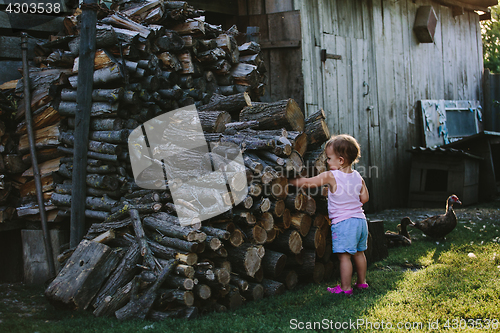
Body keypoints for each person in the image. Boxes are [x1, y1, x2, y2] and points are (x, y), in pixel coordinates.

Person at [289, 134, 369, 295]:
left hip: (344, 223)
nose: (326, 161)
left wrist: (290, 181)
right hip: (360, 221)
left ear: (340, 160)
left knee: (344, 257)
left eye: (329, 158)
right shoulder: (357, 176)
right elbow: (364, 198)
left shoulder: (331, 175)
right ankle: (362, 283)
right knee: (359, 253)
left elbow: (308, 183)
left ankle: (345, 288)